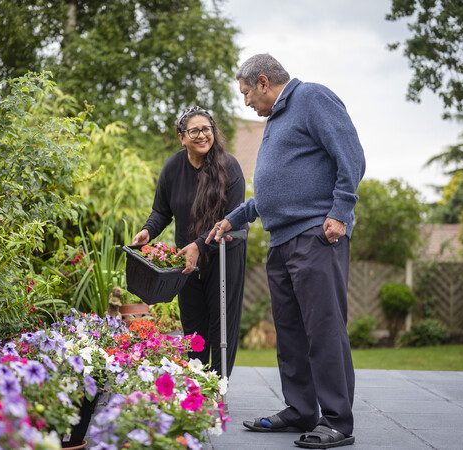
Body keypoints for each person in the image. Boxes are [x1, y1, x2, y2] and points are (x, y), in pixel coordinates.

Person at [206, 54, 365, 448]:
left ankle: (337, 421)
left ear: (263, 82)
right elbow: (275, 190)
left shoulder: (311, 98)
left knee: (323, 329)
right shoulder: (277, 121)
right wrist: (236, 217)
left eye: (246, 93)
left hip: (316, 235)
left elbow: (352, 157)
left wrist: (341, 211)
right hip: (281, 241)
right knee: (291, 333)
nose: (245, 103)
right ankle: (301, 410)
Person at [132, 106, 247, 376]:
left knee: (221, 325)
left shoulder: (229, 167)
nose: (202, 135)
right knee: (193, 325)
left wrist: (199, 244)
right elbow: (162, 211)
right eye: (194, 130)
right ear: (181, 137)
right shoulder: (173, 167)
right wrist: (148, 231)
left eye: (207, 129)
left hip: (224, 254)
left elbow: (232, 217)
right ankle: (196, 384)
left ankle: (218, 386)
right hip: (187, 259)